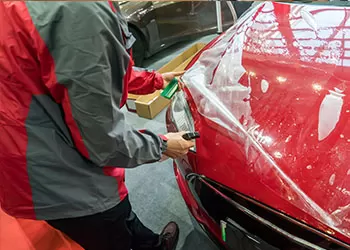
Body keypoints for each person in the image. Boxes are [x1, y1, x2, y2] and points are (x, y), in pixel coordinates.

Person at [0, 1, 195, 250]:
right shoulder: (78, 10)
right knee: (109, 228)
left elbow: (81, 68)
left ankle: (152, 245)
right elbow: (102, 141)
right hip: (63, 173)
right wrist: (161, 145)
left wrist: (151, 80)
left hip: (29, 153)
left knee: (119, 218)